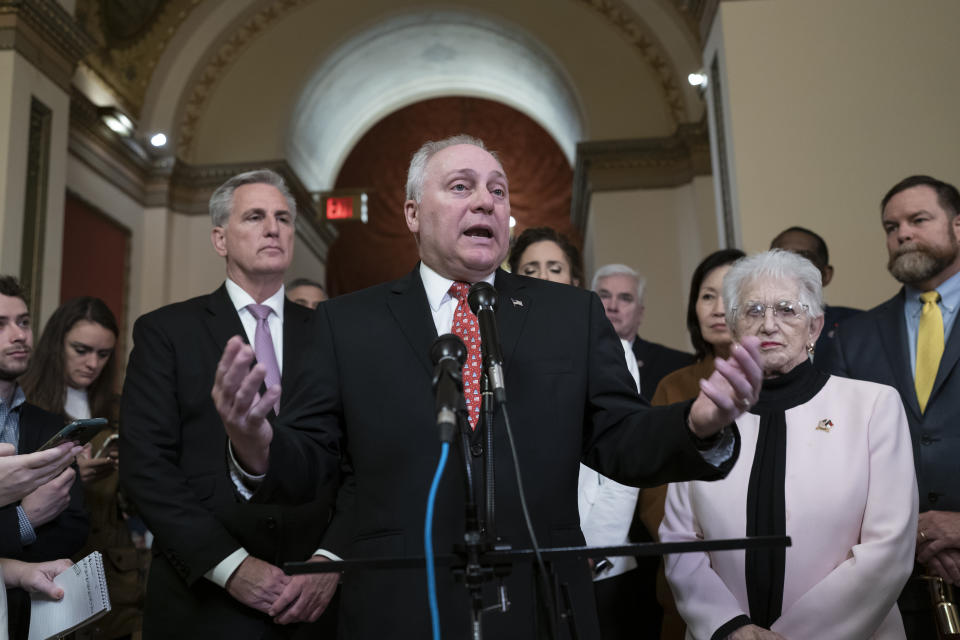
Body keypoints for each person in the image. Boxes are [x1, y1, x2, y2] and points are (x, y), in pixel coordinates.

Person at [213, 134, 765, 639]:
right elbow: (311, 461)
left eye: (498, 191)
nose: (486, 201)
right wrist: (253, 440)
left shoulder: (570, 316)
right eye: (461, 187)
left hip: (544, 603)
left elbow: (619, 438)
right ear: (412, 213)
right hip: (402, 605)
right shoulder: (347, 324)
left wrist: (695, 426)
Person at [119, 170, 341, 639]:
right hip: (203, 601)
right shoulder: (166, 333)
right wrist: (230, 566)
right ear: (220, 239)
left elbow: (362, 460)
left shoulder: (333, 333)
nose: (273, 228)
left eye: (283, 218)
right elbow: (146, 467)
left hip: (314, 604)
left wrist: (330, 560)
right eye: (255, 217)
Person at [662, 249, 918, 639]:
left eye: (787, 309)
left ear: (814, 327)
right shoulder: (704, 418)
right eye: (752, 311)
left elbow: (889, 549)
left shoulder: (872, 406)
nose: (769, 325)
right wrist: (730, 626)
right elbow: (680, 541)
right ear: (732, 327)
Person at [509, 227, 654, 639]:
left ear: (574, 280)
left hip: (592, 550)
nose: (543, 277)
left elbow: (620, 455)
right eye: (530, 268)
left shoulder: (603, 342)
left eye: (554, 268)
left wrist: (595, 546)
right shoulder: (496, 342)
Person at [832, 175, 960, 638]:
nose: (902, 233)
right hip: (898, 585)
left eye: (918, 220)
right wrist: (914, 533)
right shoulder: (854, 337)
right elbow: (843, 457)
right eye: (891, 226)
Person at [20, 297, 152, 639]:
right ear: (56, 344)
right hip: (49, 563)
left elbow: (140, 505)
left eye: (104, 354)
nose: (92, 363)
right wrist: (70, 473)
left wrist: (130, 471)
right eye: (81, 350)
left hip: (113, 568)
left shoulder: (117, 407)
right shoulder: (25, 404)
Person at [648, 248, 744, 640]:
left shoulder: (784, 382)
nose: (718, 308)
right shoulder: (674, 386)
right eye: (707, 296)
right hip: (692, 573)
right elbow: (655, 494)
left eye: (732, 294)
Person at [0, 276, 89, 639]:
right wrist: (25, 518)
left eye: (23, 322)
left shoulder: (52, 425)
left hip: (33, 616)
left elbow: (75, 527)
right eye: (0, 324)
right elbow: (42, 518)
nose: (19, 335)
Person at [592, 265, 695, 402]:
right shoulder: (571, 359)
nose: (612, 306)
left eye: (625, 298)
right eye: (604, 296)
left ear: (640, 313)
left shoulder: (677, 365)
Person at [769, 226, 860, 372]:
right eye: (781, 257)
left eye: (803, 258)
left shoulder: (857, 326)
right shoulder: (754, 328)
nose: (790, 266)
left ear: (825, 274)